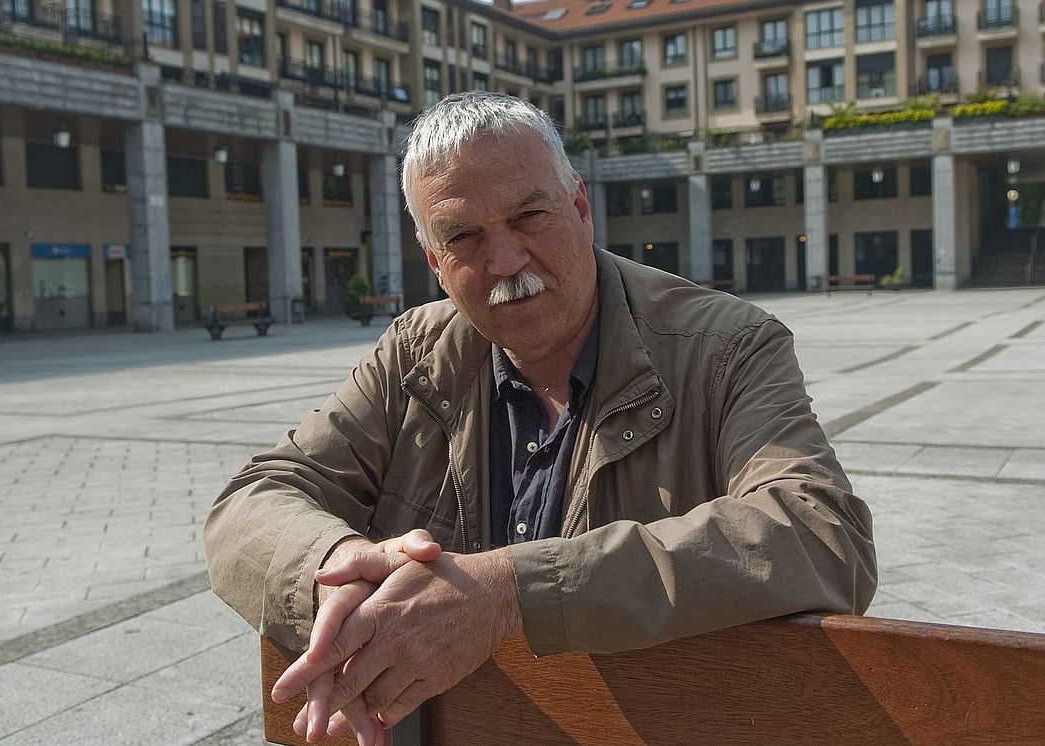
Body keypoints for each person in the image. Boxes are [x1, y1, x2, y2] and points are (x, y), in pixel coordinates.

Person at [205, 91, 877, 746]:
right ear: (435, 261)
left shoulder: (726, 347)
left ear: (579, 206)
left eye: (529, 216)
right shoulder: (415, 351)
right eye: (463, 236)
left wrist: (509, 592)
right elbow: (255, 501)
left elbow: (820, 535)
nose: (505, 262)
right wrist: (340, 569)